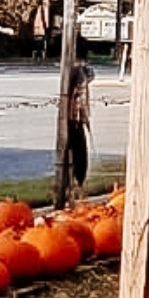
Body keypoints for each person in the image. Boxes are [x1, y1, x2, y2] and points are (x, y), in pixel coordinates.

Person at [63, 60, 94, 201]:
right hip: (74, 122)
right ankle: (73, 186)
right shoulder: (78, 75)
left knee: (79, 155)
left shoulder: (78, 74)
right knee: (77, 154)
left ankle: (77, 185)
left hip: (76, 122)